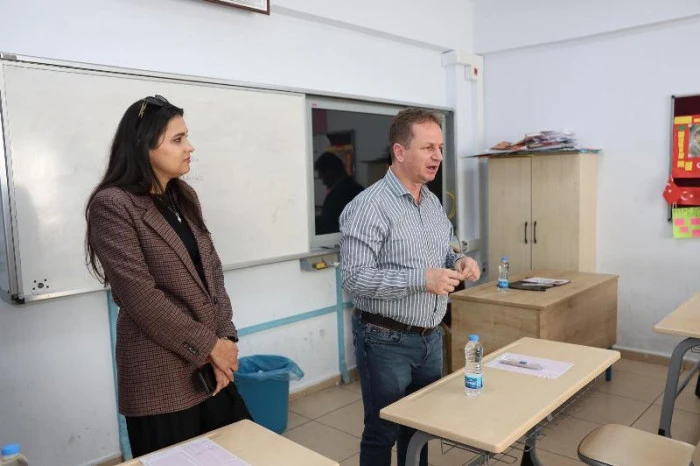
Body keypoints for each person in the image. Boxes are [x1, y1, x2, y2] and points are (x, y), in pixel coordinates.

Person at [85, 95, 251, 457]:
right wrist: (212, 347)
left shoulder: (183, 195)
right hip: (160, 377)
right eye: (178, 139)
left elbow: (212, 273)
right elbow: (140, 298)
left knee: (240, 451)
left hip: (212, 368)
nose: (190, 147)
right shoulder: (113, 205)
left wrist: (225, 339)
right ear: (143, 146)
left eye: (185, 137)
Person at [339, 108, 481, 466]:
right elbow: (354, 279)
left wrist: (458, 261)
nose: (438, 156)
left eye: (440, 147)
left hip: (430, 337)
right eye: (428, 147)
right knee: (383, 430)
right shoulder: (369, 207)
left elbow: (442, 253)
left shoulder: (431, 202)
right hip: (385, 340)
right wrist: (421, 279)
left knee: (419, 428)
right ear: (400, 152)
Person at [314, 152, 364, 234]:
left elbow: (329, 225)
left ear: (330, 171)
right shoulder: (358, 189)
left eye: (323, 177)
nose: (323, 182)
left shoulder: (338, 194)